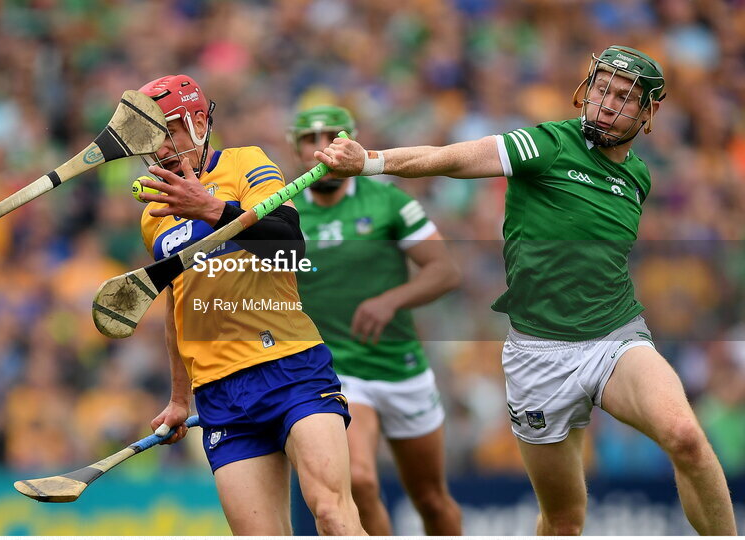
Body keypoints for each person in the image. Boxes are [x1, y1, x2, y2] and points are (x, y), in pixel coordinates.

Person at [316, 46, 737, 535]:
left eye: (623, 97)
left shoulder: (638, 176)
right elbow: (452, 157)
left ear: (649, 112)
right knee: (563, 521)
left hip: (614, 337)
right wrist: (371, 161)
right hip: (538, 356)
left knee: (685, 436)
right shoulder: (548, 144)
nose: (607, 103)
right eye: (601, 89)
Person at [133, 75, 366, 535]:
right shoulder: (153, 213)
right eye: (150, 138)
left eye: (169, 132)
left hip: (290, 366)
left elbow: (289, 246)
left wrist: (210, 208)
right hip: (220, 395)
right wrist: (179, 398)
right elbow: (177, 303)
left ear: (199, 124)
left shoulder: (247, 163)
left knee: (331, 513)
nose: (160, 148)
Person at [289, 105, 464, 535]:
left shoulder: (388, 200)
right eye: (310, 139)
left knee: (432, 500)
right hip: (337, 371)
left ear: (350, 141)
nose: (321, 147)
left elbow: (444, 271)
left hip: (400, 367)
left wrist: (390, 300)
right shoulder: (285, 213)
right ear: (297, 150)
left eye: (331, 136)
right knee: (360, 481)